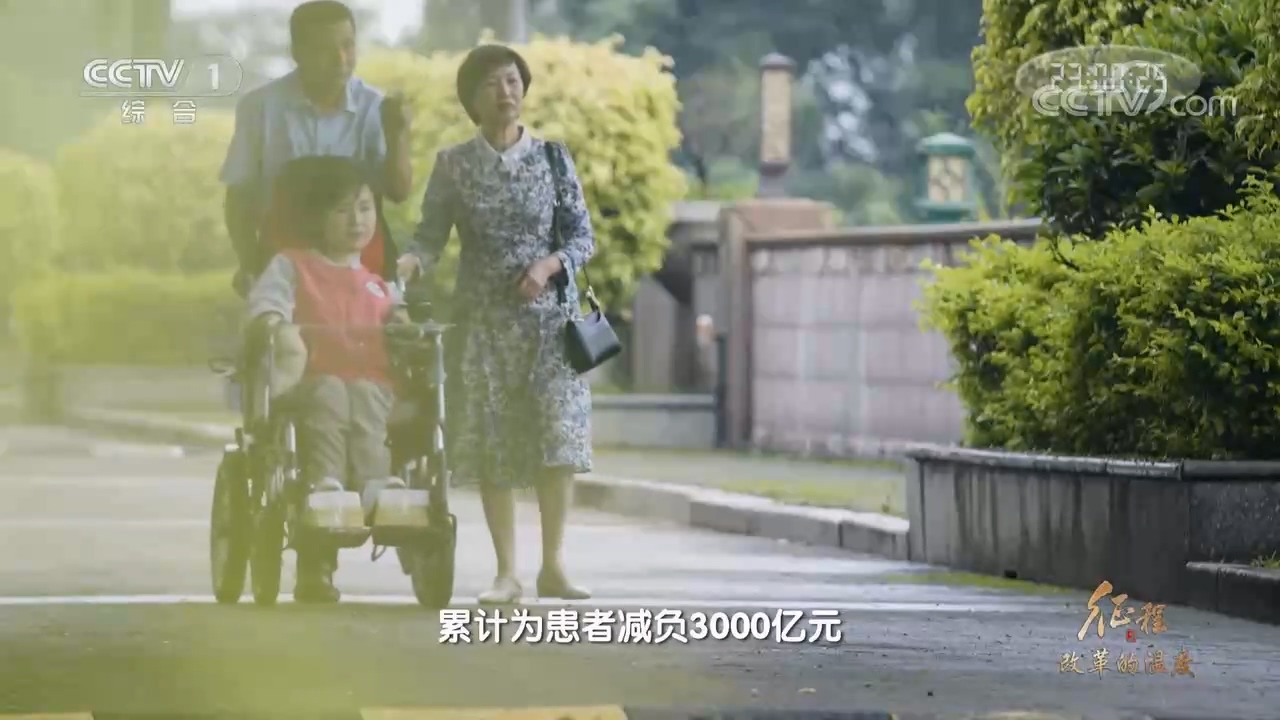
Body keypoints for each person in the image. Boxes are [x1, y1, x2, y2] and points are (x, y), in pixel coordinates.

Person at [399, 44, 594, 604]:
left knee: (558, 437)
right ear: (472, 100)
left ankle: (553, 566)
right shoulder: (453, 165)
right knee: (493, 442)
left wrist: (549, 266)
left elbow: (582, 237)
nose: (505, 92)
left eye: (512, 81)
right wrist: (411, 263)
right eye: (491, 84)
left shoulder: (554, 158)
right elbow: (430, 237)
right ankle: (507, 572)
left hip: (551, 328)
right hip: (483, 324)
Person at [246, 155, 407, 604]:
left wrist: (405, 324)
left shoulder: (377, 283)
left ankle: (376, 485)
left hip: (370, 381)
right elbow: (267, 304)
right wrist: (275, 324)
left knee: (370, 396)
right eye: (342, 210)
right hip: (311, 380)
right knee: (333, 393)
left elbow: (400, 316)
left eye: (365, 208)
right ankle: (327, 485)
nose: (357, 220)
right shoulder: (292, 265)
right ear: (316, 217)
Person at [220, 0, 412, 291]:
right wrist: (249, 263)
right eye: (324, 49)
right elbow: (239, 197)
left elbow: (398, 193)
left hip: (360, 266)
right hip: (285, 258)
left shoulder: (376, 107)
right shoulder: (259, 107)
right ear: (297, 53)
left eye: (348, 45)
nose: (340, 59)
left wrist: (398, 135)